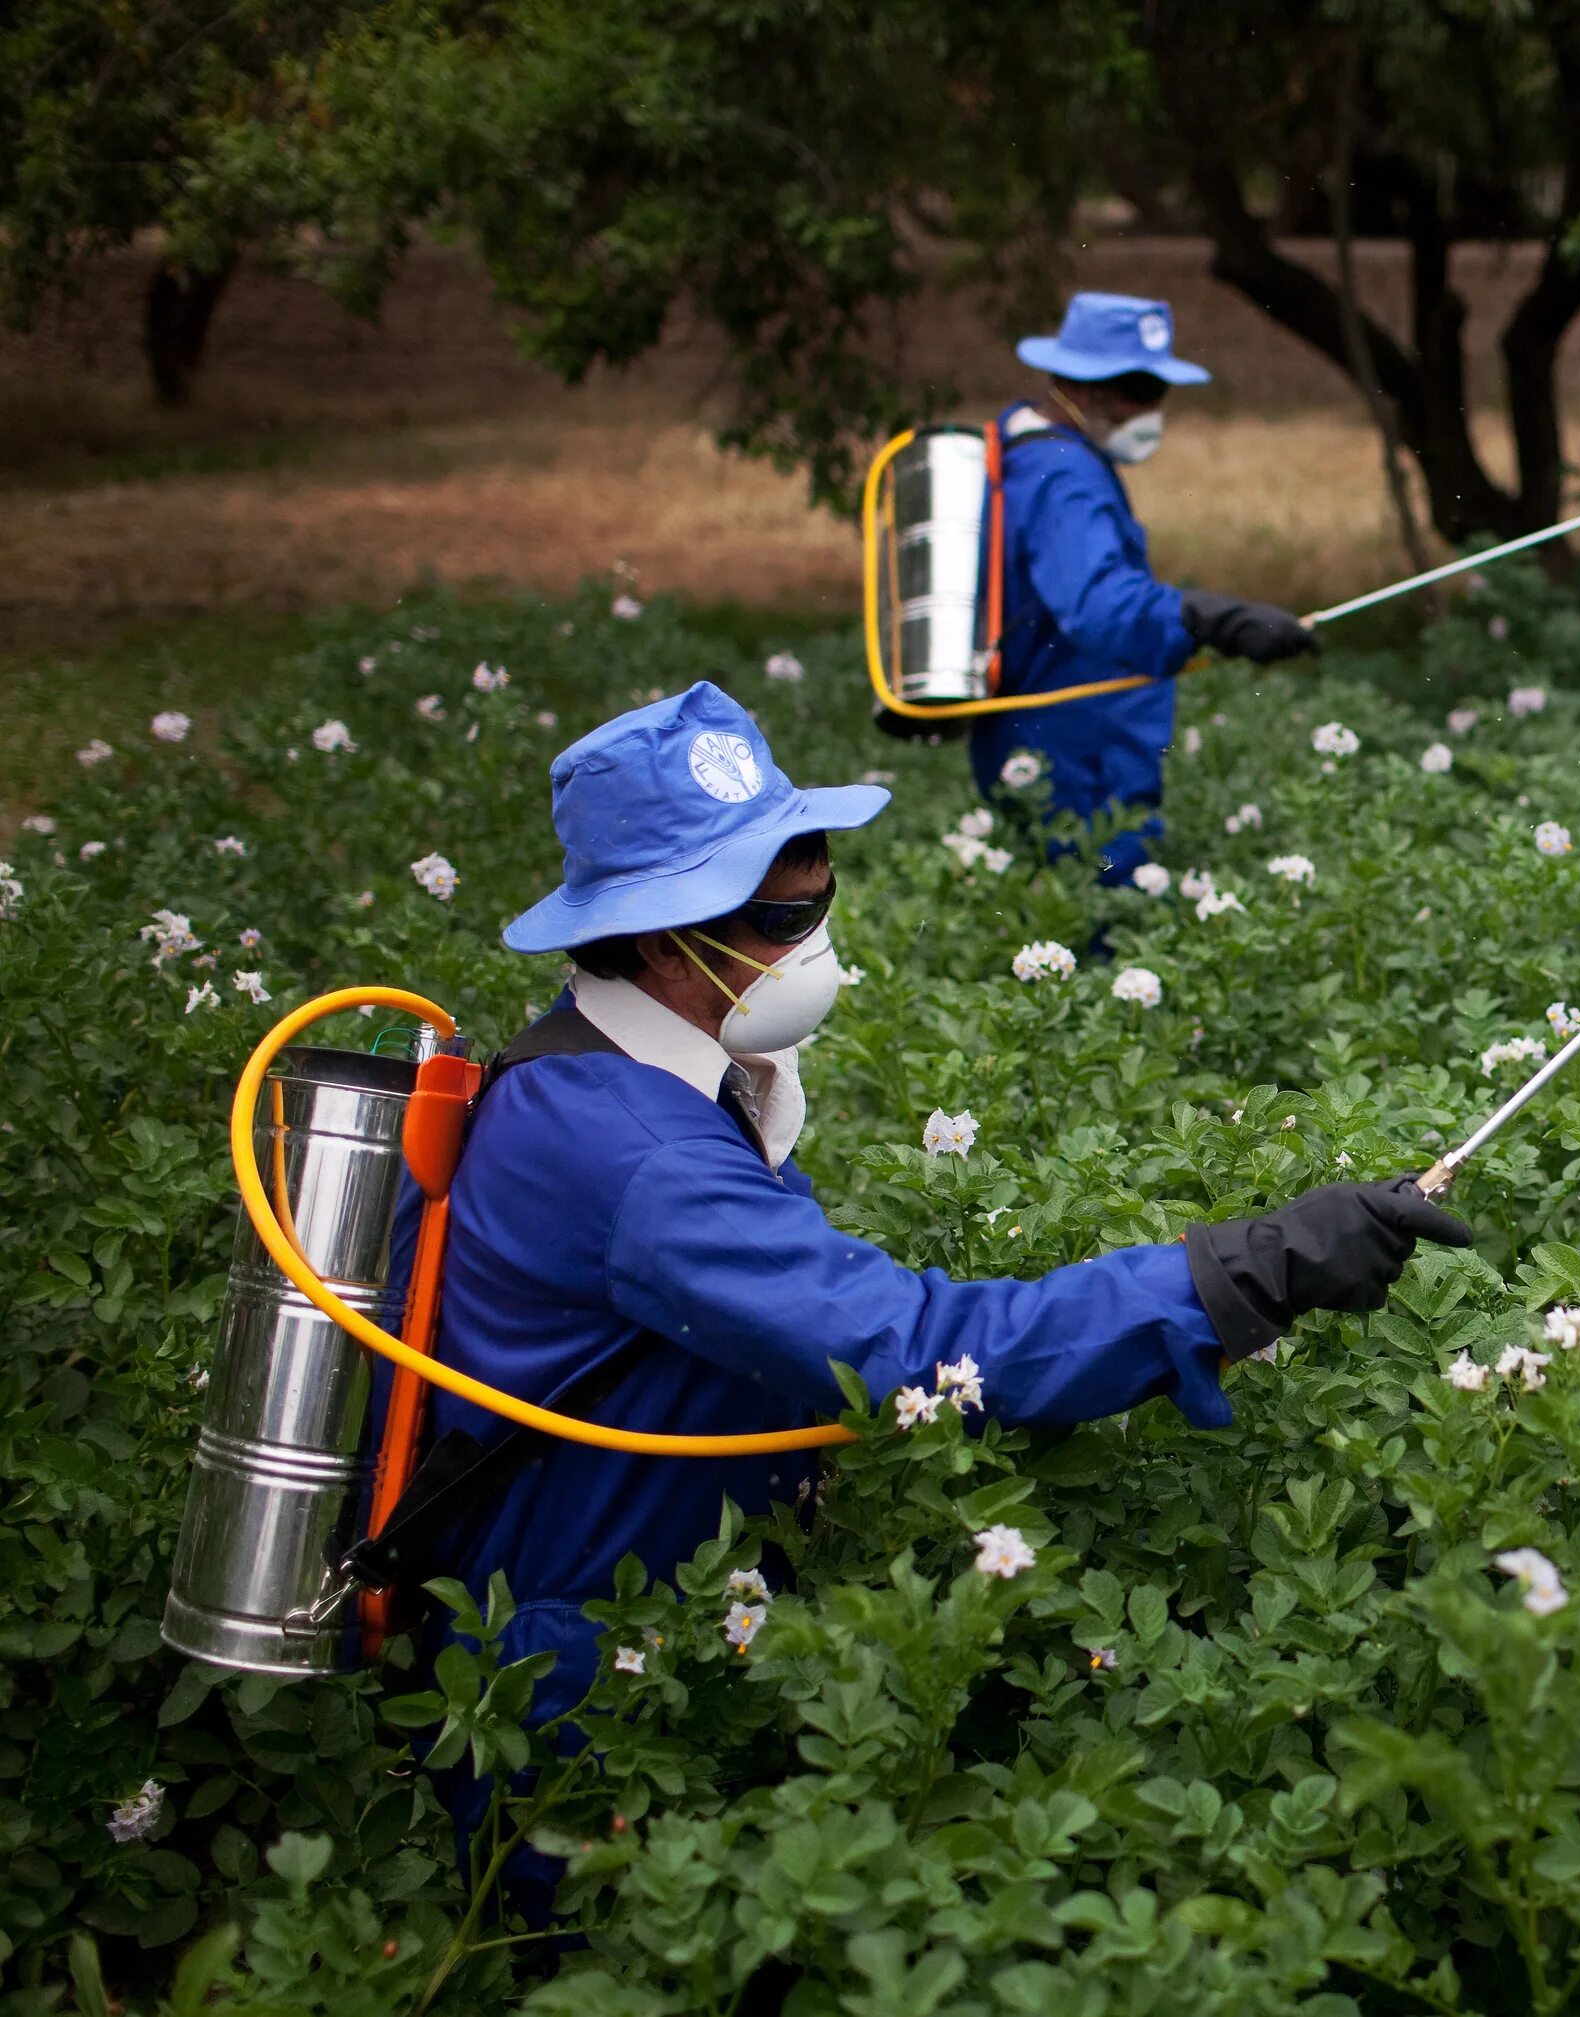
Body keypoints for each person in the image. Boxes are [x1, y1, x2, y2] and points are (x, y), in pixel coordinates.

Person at [375, 681, 1465, 1913]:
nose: (813, 935)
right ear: (663, 933)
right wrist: (1251, 1265)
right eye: (783, 912)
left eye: (819, 888)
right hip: (573, 1678)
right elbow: (921, 1350)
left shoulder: (623, 1074)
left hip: (668, 1624)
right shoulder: (637, 1154)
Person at [966, 292, 1314, 880]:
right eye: (1137, 390)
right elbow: (1100, 608)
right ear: (1079, 386)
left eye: (1158, 392)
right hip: (1077, 754)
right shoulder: (1064, 477)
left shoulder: (1038, 450)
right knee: (1098, 914)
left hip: (1063, 739)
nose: (1150, 411)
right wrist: (1214, 620)